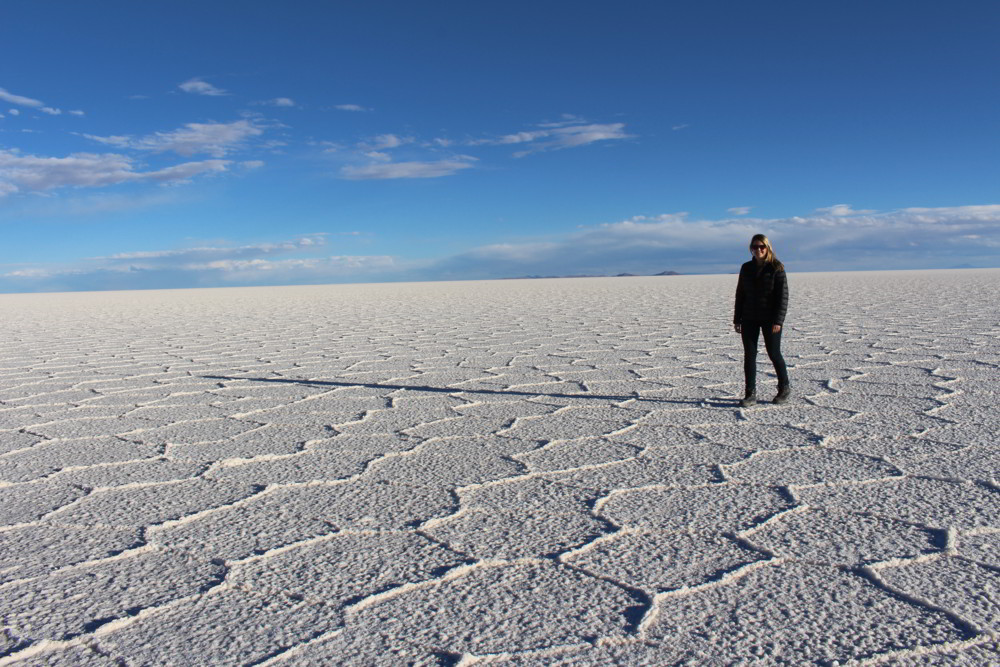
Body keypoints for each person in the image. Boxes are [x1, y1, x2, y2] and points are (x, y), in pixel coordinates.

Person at [734, 234, 790, 406]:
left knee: (774, 353)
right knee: (749, 356)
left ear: (767, 248)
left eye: (761, 246)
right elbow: (740, 294)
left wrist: (778, 321)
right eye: (755, 246)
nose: (758, 250)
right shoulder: (746, 268)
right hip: (749, 317)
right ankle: (750, 394)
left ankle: (784, 388)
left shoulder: (776, 267)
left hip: (770, 319)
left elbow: (782, 297)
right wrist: (737, 318)